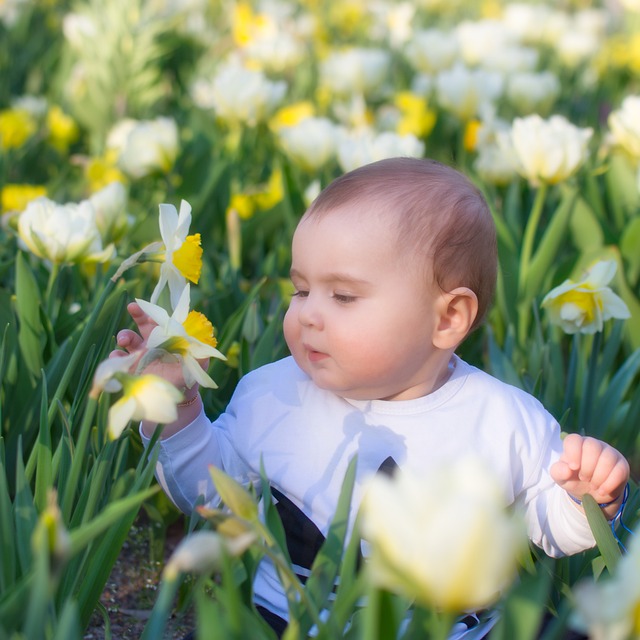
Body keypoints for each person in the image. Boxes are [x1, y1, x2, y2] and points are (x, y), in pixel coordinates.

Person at [112, 157, 630, 638]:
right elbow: (209, 496)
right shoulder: (274, 397)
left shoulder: (499, 418)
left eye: (342, 296)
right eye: (301, 290)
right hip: (286, 621)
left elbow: (549, 531)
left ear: (448, 318)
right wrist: (177, 411)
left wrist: (584, 499)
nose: (309, 314)